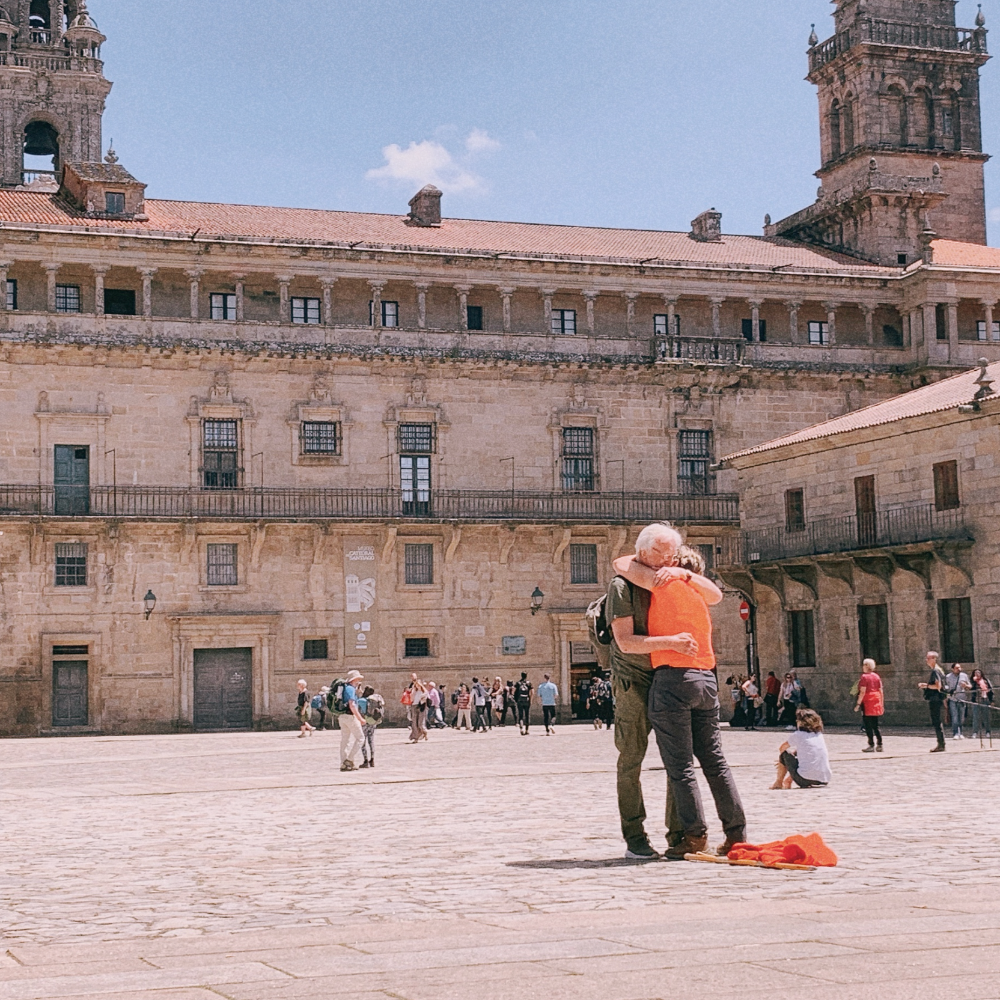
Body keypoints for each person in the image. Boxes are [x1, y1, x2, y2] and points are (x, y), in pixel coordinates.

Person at [610, 531, 729, 860]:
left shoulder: (671, 577)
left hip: (668, 677)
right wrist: (672, 643)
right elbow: (626, 642)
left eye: (673, 556)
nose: (670, 561)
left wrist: (684, 572)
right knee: (631, 759)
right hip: (633, 679)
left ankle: (680, 833)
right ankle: (635, 835)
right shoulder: (621, 586)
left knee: (678, 760)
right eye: (663, 555)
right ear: (644, 553)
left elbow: (715, 595)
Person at [771, 708, 832, 789]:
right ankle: (788, 780)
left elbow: (782, 748)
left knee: (784, 754)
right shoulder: (819, 734)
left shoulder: (798, 734)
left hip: (805, 779)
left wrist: (782, 762)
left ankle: (778, 782)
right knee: (803, 757)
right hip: (824, 779)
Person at [336, 670, 366, 771]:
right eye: (358, 679)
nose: (359, 681)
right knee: (360, 738)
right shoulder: (350, 689)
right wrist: (360, 718)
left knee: (345, 740)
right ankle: (349, 759)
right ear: (354, 679)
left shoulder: (345, 688)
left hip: (342, 716)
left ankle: (343, 763)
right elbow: (352, 705)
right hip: (350, 717)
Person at [918, 651, 947, 752]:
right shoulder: (939, 670)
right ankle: (941, 743)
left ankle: (941, 744)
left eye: (928, 658)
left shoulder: (935, 671)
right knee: (937, 721)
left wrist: (925, 685)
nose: (926, 660)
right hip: (938, 699)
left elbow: (938, 686)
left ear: (934, 659)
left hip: (935, 699)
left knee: (936, 721)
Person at [854, 658, 884, 752]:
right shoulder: (877, 676)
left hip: (867, 702)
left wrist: (858, 704)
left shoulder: (864, 677)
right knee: (875, 724)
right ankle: (880, 744)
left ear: (867, 666)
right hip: (876, 700)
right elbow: (881, 690)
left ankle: (871, 744)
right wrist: (881, 703)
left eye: (863, 665)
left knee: (867, 724)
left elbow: (862, 691)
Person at [944, 662, 972, 739]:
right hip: (953, 699)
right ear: (952, 669)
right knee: (955, 716)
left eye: (959, 667)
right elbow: (945, 687)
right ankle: (955, 733)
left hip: (962, 699)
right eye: (957, 668)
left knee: (962, 717)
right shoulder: (948, 677)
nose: (959, 669)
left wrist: (965, 685)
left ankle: (961, 732)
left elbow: (970, 686)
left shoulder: (964, 676)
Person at [358, 685, 383, 769]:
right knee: (371, 741)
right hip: (373, 722)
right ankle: (372, 760)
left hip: (364, 722)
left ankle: (365, 761)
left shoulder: (361, 700)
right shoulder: (375, 700)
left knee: (363, 741)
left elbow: (359, 709)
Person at [970, 668, 993, 741]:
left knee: (986, 717)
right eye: (975, 673)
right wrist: (974, 682)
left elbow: (990, 690)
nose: (977, 674)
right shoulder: (972, 682)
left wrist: (992, 700)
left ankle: (988, 731)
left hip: (985, 700)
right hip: (976, 701)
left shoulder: (986, 681)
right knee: (976, 717)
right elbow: (971, 689)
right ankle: (975, 732)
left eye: (978, 673)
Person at [406, 674, 429, 743]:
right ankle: (415, 738)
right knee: (414, 723)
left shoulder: (424, 692)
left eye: (418, 685)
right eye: (416, 685)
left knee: (420, 723)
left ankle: (424, 732)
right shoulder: (414, 691)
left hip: (421, 707)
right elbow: (410, 697)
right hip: (414, 706)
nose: (417, 686)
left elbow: (426, 696)